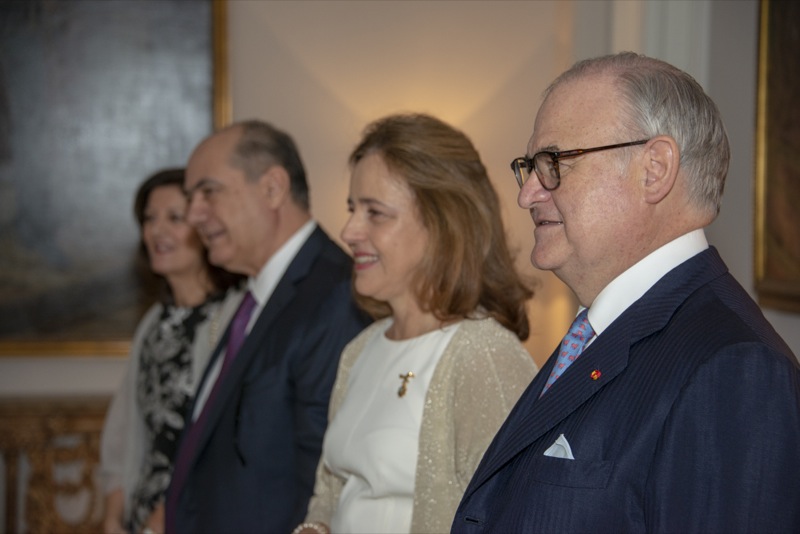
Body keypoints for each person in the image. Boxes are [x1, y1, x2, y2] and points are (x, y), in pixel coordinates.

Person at [451, 52, 800, 533]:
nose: (527, 193)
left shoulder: (734, 368)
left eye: (554, 162)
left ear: (654, 169)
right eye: (529, 167)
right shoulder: (597, 332)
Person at [296, 113, 539, 534]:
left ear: (443, 223)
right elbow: (331, 493)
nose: (348, 231)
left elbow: (513, 516)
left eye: (375, 213)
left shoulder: (483, 355)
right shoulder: (360, 349)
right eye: (353, 209)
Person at [164, 120, 370, 534]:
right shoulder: (252, 298)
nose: (194, 214)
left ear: (273, 188)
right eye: (190, 198)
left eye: (208, 191)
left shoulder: (334, 296)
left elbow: (321, 481)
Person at [100, 168, 244, 534]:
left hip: (202, 517)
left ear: (206, 226)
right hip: (141, 520)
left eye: (174, 218)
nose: (157, 231)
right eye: (150, 219)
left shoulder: (235, 318)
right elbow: (124, 430)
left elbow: (230, 441)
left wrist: (171, 512)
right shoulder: (154, 323)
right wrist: (113, 516)